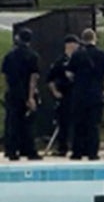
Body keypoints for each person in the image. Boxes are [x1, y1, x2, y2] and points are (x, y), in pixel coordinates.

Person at [66, 28, 104, 161]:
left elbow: (69, 73)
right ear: (95, 38)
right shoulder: (102, 54)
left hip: (80, 94)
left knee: (79, 124)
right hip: (96, 93)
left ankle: (77, 152)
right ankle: (92, 152)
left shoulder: (77, 54)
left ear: (82, 39)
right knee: (93, 125)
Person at [2, 28, 42, 161]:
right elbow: (33, 77)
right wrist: (30, 97)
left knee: (12, 122)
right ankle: (29, 150)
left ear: (18, 39)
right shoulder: (32, 56)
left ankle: (12, 151)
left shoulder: (9, 56)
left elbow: (5, 76)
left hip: (13, 93)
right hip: (26, 92)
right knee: (28, 123)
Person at [46, 35, 79, 156]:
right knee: (63, 122)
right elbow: (50, 79)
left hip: (77, 95)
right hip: (65, 95)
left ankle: (78, 147)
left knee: (78, 123)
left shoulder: (80, 59)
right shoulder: (60, 62)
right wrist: (55, 92)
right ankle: (62, 147)